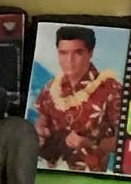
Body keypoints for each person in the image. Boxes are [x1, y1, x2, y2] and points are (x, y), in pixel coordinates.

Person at [33, 28, 123, 174]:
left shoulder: (111, 88)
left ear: (90, 53)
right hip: (49, 172)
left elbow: (125, 142)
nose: (69, 60)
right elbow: (42, 117)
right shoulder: (50, 86)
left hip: (91, 177)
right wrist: (41, 129)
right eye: (63, 53)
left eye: (78, 53)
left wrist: (89, 143)